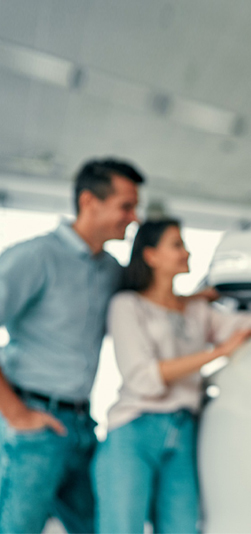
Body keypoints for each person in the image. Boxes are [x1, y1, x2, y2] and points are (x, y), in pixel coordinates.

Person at [93, 219, 251, 533]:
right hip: (134, 430)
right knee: (121, 528)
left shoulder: (197, 311)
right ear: (150, 256)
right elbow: (142, 377)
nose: (186, 252)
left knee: (182, 527)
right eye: (176, 245)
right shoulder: (127, 305)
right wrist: (217, 353)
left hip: (183, 430)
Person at [0, 159, 144, 533]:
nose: (134, 217)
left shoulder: (111, 269)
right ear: (89, 201)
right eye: (125, 206)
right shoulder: (35, 257)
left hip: (81, 426)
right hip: (32, 423)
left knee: (100, 526)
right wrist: (17, 414)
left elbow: (151, 311)